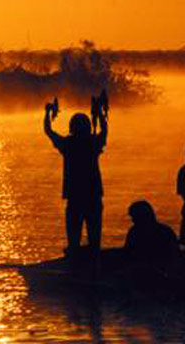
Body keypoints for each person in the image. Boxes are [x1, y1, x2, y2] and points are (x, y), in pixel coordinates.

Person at [44, 100, 107, 256]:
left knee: (73, 241)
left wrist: (47, 112)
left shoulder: (67, 144)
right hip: (93, 196)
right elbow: (104, 130)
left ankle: (74, 265)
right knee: (95, 240)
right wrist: (99, 114)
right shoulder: (93, 143)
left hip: (75, 197)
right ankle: (94, 265)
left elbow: (48, 130)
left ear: (72, 127)